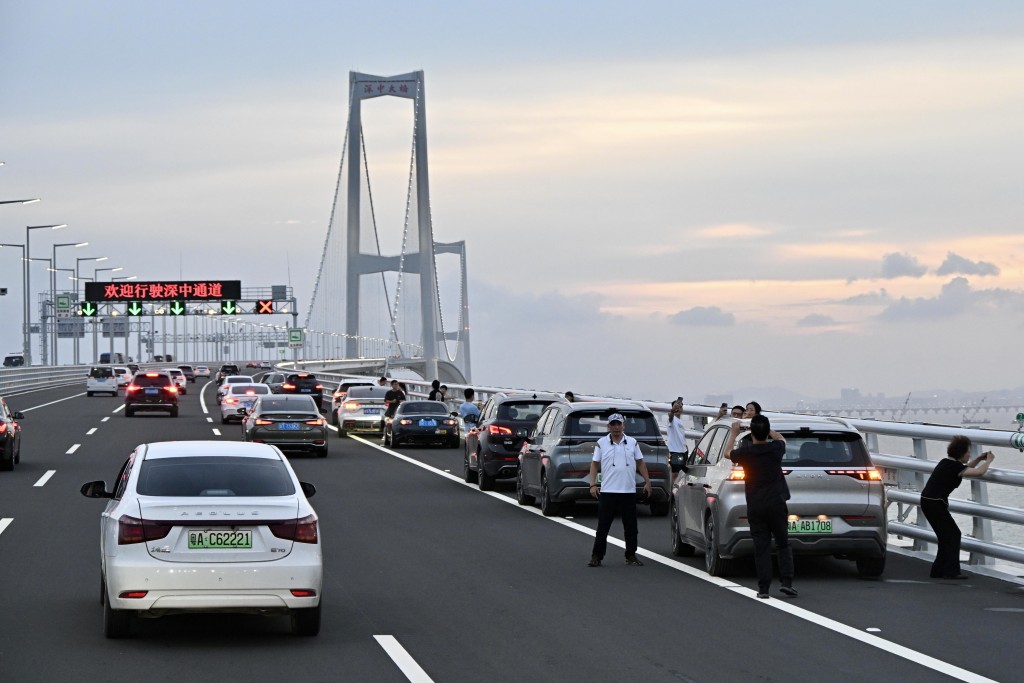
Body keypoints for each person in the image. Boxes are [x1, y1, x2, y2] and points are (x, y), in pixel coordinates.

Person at [723, 414, 796, 599]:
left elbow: (727, 452)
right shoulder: (775, 449)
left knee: (761, 547)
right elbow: (781, 439)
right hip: (777, 503)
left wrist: (734, 432)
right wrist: (768, 429)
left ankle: (763, 588)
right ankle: (787, 582)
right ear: (767, 432)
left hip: (756, 505)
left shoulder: (746, 453)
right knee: (782, 543)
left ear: (752, 433)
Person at [920, 436, 994, 579]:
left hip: (928, 502)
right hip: (934, 504)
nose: (969, 454)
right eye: (968, 452)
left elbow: (966, 468)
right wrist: (989, 461)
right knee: (953, 535)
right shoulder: (954, 467)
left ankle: (939, 570)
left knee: (945, 537)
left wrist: (979, 459)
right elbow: (979, 472)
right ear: (961, 453)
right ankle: (950, 571)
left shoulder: (947, 463)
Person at [587, 413, 653, 567]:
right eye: (613, 425)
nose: (616, 427)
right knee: (603, 526)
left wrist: (647, 482)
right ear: (608, 426)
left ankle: (631, 555)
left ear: (624, 426)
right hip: (608, 491)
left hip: (628, 491)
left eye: (619, 424)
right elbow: (594, 464)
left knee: (631, 526)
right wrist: (592, 484)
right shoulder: (601, 443)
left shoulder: (632, 442)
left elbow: (640, 463)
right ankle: (597, 556)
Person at [666, 399, 688, 469]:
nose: (678, 409)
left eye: (680, 407)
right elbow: (670, 417)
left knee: (682, 473)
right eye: (676, 407)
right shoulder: (672, 420)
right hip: (674, 451)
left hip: (683, 451)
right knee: (675, 473)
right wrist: (672, 411)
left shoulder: (681, 420)